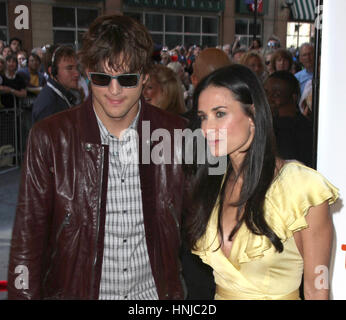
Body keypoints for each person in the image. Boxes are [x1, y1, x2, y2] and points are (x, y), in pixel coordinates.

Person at [8, 14, 187, 300]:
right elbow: (27, 243)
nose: (114, 91)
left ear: (144, 77)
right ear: (88, 73)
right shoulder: (50, 138)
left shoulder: (177, 135)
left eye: (127, 79)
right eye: (103, 78)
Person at [184, 64, 339, 300]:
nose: (207, 128)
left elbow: (317, 289)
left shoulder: (302, 188)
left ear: (253, 116)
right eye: (203, 117)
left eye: (220, 114)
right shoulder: (212, 184)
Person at [264, 71, 313, 167]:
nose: (268, 99)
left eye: (276, 95)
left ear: (293, 98)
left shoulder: (303, 130)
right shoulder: (265, 124)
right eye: (266, 93)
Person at [31, 45, 80, 123]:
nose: (77, 73)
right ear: (53, 71)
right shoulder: (49, 105)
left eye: (77, 68)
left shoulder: (60, 96)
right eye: (69, 68)